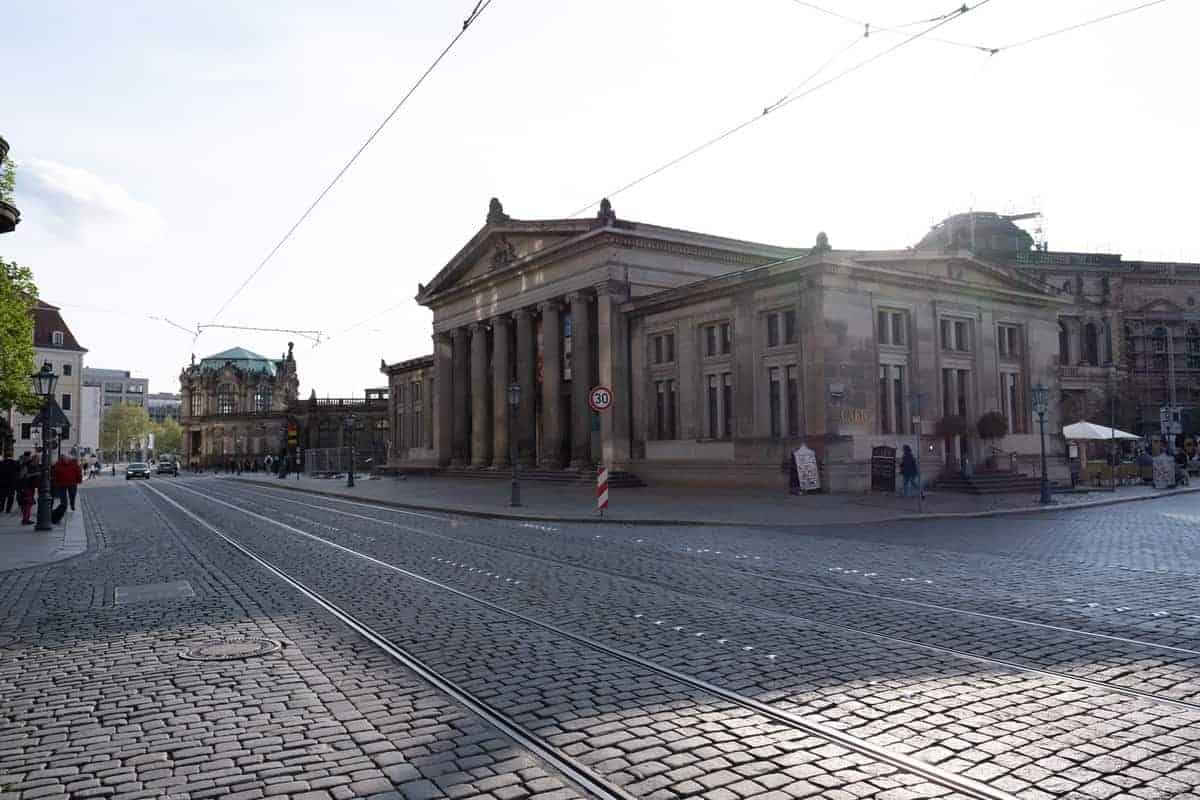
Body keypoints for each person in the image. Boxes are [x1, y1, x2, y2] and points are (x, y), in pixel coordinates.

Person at [18, 453, 39, 525]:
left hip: (30, 486)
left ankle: (26, 518)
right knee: (27, 504)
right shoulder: (26, 466)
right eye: (36, 460)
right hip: (27, 487)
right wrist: (36, 474)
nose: (37, 461)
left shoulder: (32, 466)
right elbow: (22, 476)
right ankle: (25, 519)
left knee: (28, 504)